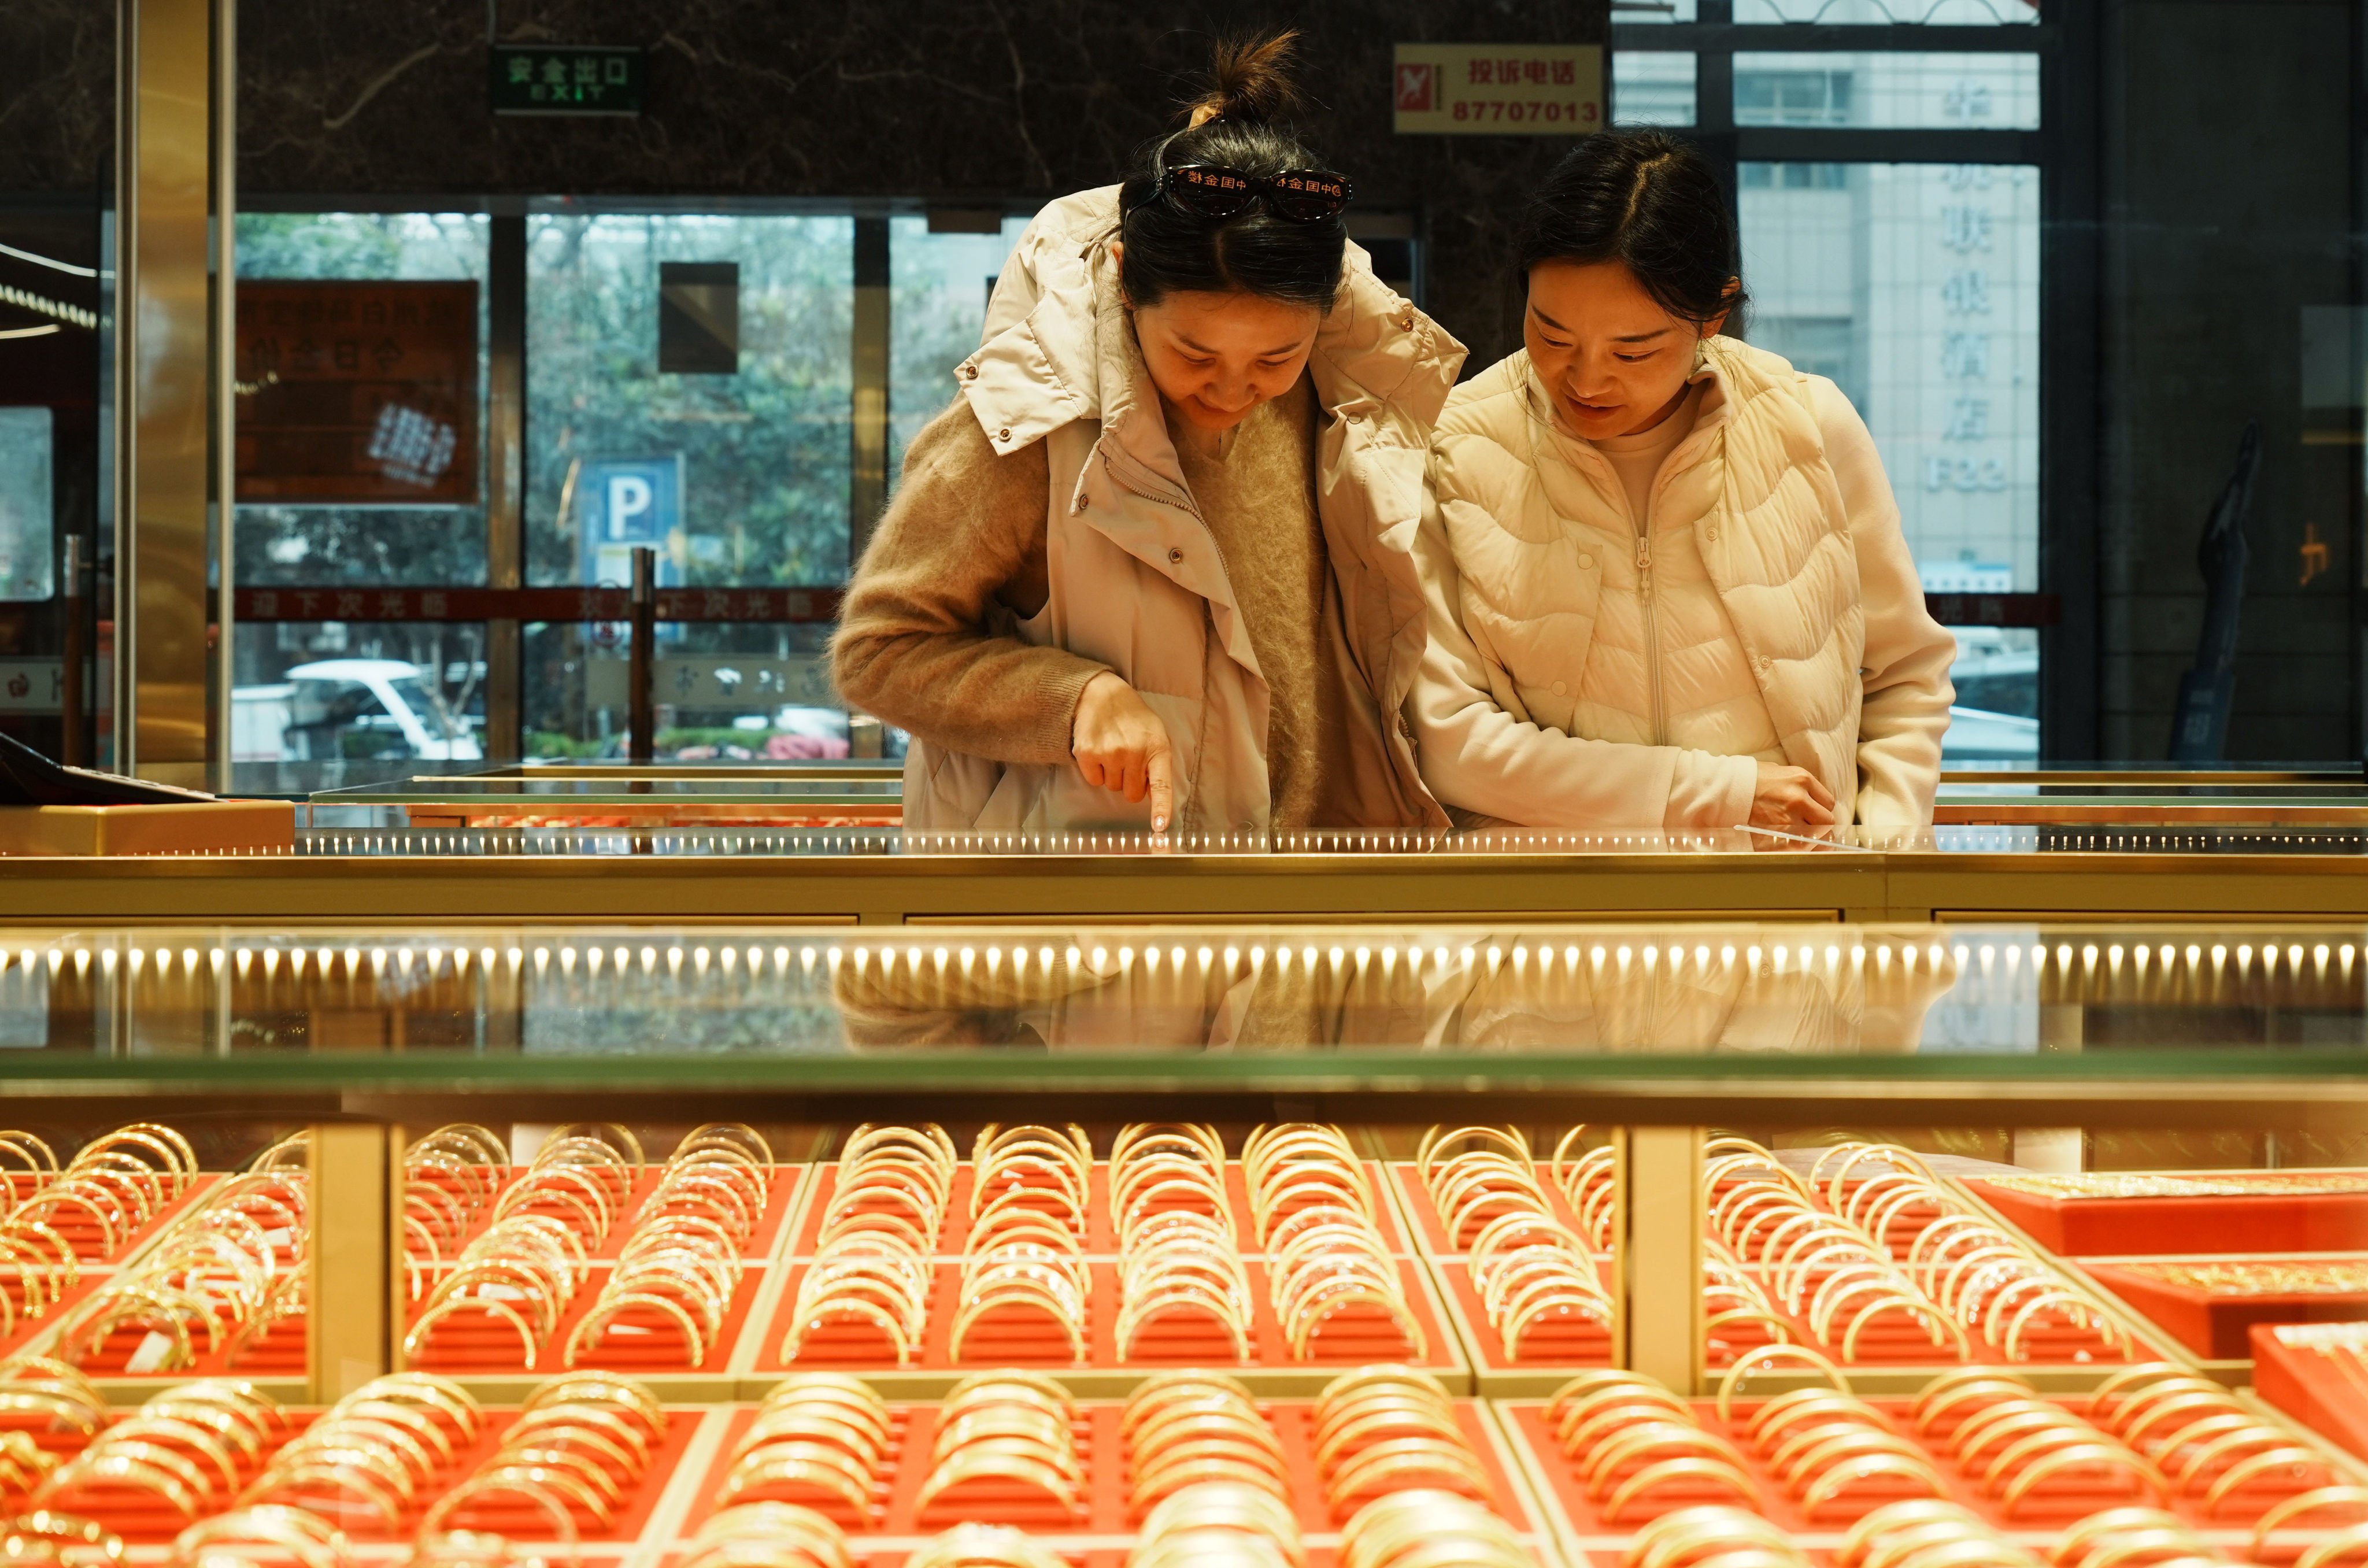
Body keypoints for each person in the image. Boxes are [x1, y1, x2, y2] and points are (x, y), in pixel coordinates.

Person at [832, 31, 1461, 837]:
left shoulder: (1362, 403)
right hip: (1092, 916)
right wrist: (1073, 700)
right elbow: (878, 652)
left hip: (1317, 896)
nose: (1234, 388)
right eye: (1195, 353)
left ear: (1329, 307)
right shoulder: (1028, 427)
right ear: (1127, 281)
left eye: (1276, 356)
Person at [1409, 131, 1956, 838]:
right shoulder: (1457, 445)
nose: (1587, 378)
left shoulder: (1809, 426)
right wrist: (1714, 791)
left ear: (1714, 314)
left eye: (1633, 350)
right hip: (1549, 925)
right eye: (1551, 336)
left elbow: (1905, 677)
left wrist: (1881, 866)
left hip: (1790, 923)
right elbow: (1449, 744)